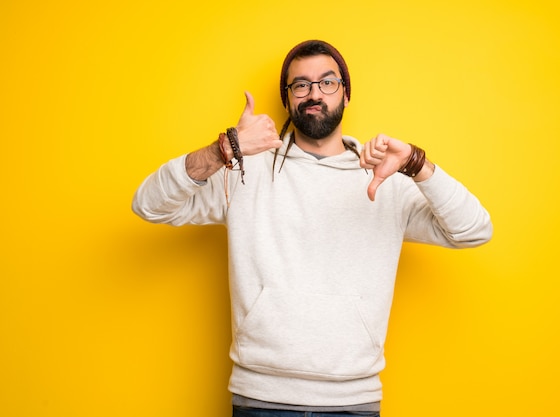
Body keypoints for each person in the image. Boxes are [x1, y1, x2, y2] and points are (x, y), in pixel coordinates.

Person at [132, 39, 492, 416]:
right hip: (260, 398)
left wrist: (417, 165)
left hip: (353, 402)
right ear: (287, 99)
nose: (314, 94)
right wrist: (225, 150)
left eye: (328, 82)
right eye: (301, 85)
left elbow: (473, 230)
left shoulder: (387, 179)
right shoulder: (244, 171)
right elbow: (149, 205)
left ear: (346, 94)